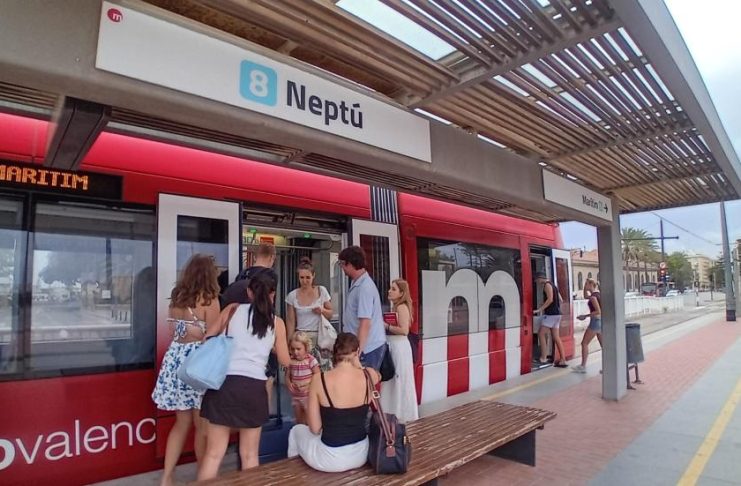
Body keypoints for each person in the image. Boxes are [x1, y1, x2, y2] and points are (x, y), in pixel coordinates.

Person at [198, 271, 291, 479]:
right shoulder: (277, 323)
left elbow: (207, 338)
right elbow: (285, 361)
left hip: (223, 385)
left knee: (213, 454)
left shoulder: (231, 310)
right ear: (273, 294)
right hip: (254, 389)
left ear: (249, 292)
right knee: (249, 455)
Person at [151, 254, 221, 486]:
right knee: (202, 427)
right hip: (199, 365)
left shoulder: (176, 299)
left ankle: (167, 477)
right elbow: (213, 337)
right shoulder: (209, 300)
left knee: (180, 424)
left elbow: (174, 332)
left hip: (175, 362)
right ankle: (204, 477)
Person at [287, 333, 381, 472]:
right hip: (361, 453)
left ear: (335, 352)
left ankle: (292, 474)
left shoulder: (319, 379)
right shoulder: (369, 375)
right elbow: (379, 376)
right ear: (357, 353)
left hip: (330, 458)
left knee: (296, 431)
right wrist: (357, 364)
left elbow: (315, 429)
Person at [338, 245, 387, 371]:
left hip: (367, 348)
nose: (341, 267)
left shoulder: (365, 287)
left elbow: (365, 322)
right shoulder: (357, 282)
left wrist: (357, 351)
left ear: (350, 264)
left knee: (364, 381)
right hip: (363, 346)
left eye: (342, 264)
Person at [381, 278, 419, 423]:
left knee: (398, 380)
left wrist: (386, 326)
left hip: (399, 348)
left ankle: (400, 413)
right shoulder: (396, 307)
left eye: (393, 289)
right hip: (395, 346)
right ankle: (395, 412)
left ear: (401, 293)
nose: (389, 291)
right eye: (390, 288)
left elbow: (404, 330)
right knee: (394, 380)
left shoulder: (401, 307)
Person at [285, 257, 333, 370]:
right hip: (300, 338)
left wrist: (322, 311)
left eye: (308, 277)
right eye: (302, 277)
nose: (305, 281)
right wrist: (289, 344)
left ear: (313, 276)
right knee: (302, 370)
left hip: (319, 337)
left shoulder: (321, 291)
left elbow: (331, 314)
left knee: (321, 370)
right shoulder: (292, 296)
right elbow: (291, 322)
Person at [220, 243, 277, 307]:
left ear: (255, 257)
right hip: (258, 310)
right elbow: (270, 302)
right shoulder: (270, 274)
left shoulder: (242, 274)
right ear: (271, 257)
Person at [534, 271, 567, 368]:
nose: (536, 282)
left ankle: (543, 358)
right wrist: (549, 305)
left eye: (536, 280)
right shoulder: (553, 285)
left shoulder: (547, 285)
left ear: (540, 278)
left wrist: (540, 309)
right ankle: (563, 360)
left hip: (551, 315)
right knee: (556, 337)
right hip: (557, 315)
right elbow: (560, 300)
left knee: (541, 333)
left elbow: (550, 299)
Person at [286, 331, 320, 425]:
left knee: (310, 420)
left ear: (306, 347)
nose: (295, 352)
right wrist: (289, 384)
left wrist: (309, 386)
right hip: (296, 396)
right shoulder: (291, 360)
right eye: (293, 349)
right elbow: (287, 375)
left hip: (308, 396)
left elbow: (318, 376)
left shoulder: (311, 360)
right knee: (299, 420)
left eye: (298, 349)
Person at [573, 278, 603, 373]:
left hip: (595, 321)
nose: (585, 285)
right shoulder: (597, 294)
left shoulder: (593, 297)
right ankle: (608, 366)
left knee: (584, 343)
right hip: (600, 321)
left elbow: (598, 311)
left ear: (591, 285)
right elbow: (586, 296)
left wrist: (584, 316)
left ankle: (583, 366)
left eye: (586, 284)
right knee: (603, 345)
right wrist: (585, 289)